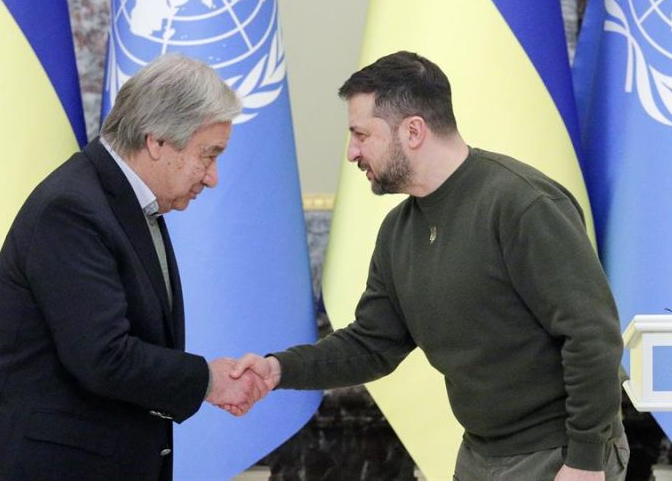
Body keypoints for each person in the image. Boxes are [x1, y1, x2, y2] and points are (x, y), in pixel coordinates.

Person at [231, 51, 629, 480]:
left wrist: (586, 461)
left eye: (361, 134)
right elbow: (372, 345)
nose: (352, 152)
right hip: (480, 453)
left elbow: (592, 335)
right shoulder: (398, 231)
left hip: (559, 455)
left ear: (413, 131)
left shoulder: (521, 203)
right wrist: (278, 369)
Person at [0, 54, 265, 481]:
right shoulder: (72, 209)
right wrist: (207, 380)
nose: (213, 177)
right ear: (158, 141)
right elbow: (102, 356)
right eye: (209, 155)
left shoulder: (125, 203)